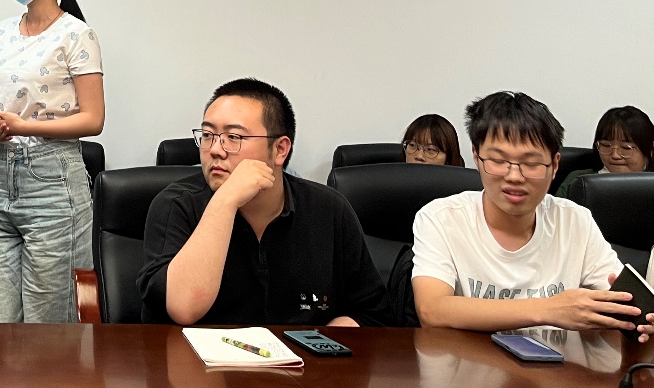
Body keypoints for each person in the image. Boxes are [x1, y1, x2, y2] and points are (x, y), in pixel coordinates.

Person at [138, 79, 392, 327]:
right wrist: (225, 201)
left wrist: (323, 341)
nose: (215, 149)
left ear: (280, 150)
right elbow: (182, 308)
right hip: (194, 355)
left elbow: (372, 313)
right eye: (207, 135)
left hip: (299, 355)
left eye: (233, 137)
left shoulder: (329, 209)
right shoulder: (176, 205)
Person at [413, 91, 654, 340]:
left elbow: (624, 303)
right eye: (498, 160)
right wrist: (550, 309)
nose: (514, 176)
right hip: (469, 363)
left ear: (555, 165)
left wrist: (643, 319)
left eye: (531, 164)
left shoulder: (575, 221)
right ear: (476, 156)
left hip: (561, 363)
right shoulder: (441, 218)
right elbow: (432, 310)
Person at [0, 0, 105, 323]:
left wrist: (24, 127)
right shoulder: (0, 32)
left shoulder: (77, 34)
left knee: (47, 325)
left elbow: (93, 119)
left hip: (52, 181)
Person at [555, 106, 654, 198]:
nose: (615, 155)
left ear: (651, 150)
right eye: (606, 145)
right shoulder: (578, 180)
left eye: (626, 148)